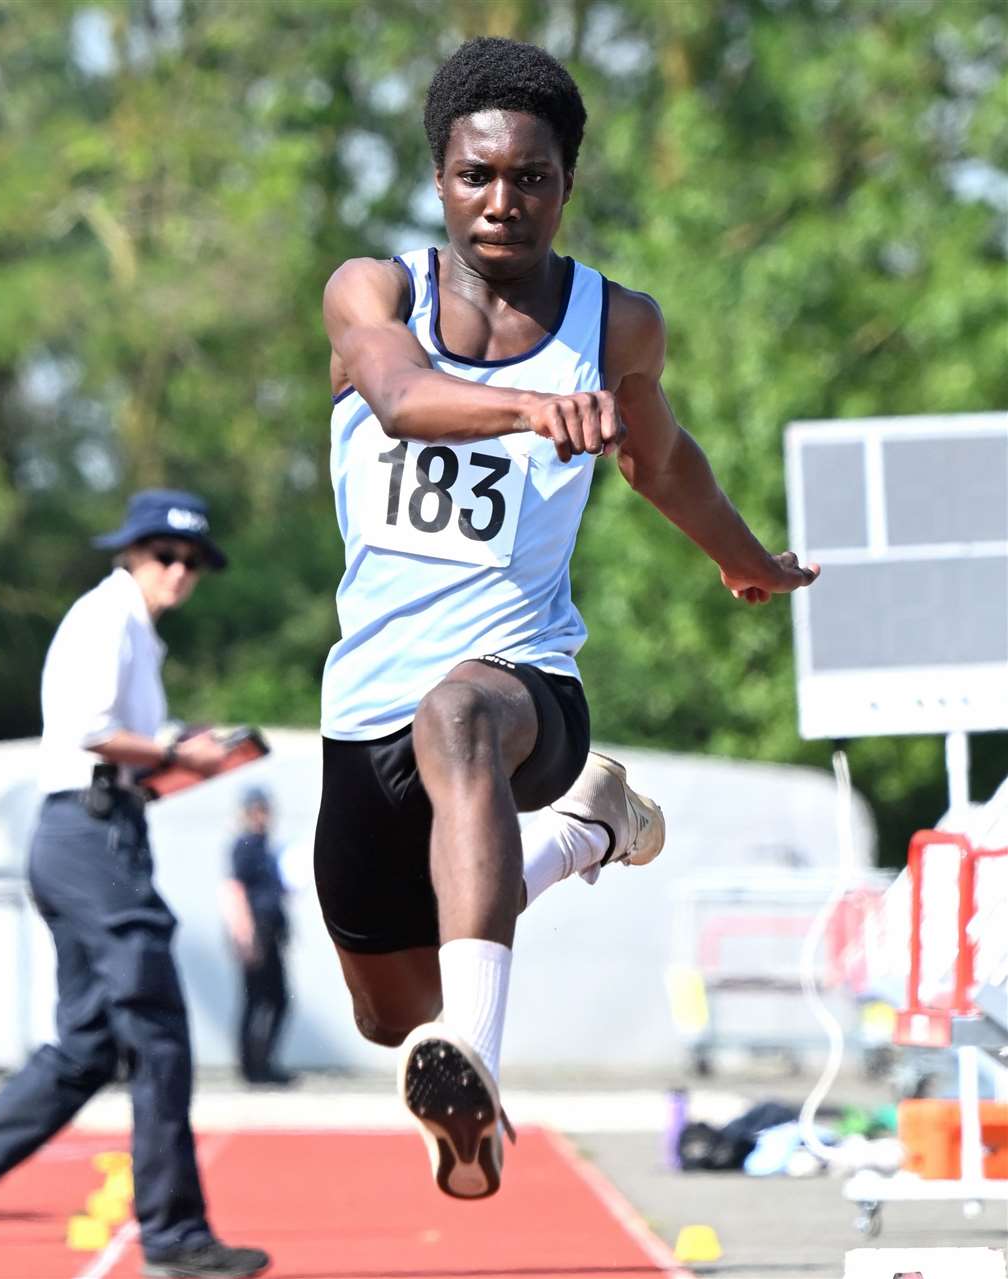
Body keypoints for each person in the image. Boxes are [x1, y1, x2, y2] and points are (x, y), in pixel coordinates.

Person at [316, 36, 820, 1202]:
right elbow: (398, 396)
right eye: (477, 176)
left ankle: (485, 1062)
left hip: (519, 680)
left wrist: (745, 564)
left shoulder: (616, 324)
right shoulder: (372, 291)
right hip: (361, 706)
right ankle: (589, 832)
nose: (503, 203)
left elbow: (664, 461)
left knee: (460, 718)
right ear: (440, 180)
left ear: (566, 185)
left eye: (530, 178)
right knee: (396, 1011)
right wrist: (529, 411)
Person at [0, 490, 270, 1278]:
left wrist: (183, 754)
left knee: (86, 1049)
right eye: (166, 555)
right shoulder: (106, 616)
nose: (180, 572)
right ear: (131, 552)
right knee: (157, 1030)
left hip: (95, 829)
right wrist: (182, 753)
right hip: (90, 838)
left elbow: (123, 764)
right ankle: (175, 1235)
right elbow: (90, 733)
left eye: (194, 562)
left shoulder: (134, 632)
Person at [221, 787, 293, 1086]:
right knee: (257, 1000)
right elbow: (234, 890)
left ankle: (261, 1062)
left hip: (270, 931)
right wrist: (245, 934)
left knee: (274, 999)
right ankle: (253, 1066)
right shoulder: (246, 845)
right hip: (255, 932)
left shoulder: (265, 845)